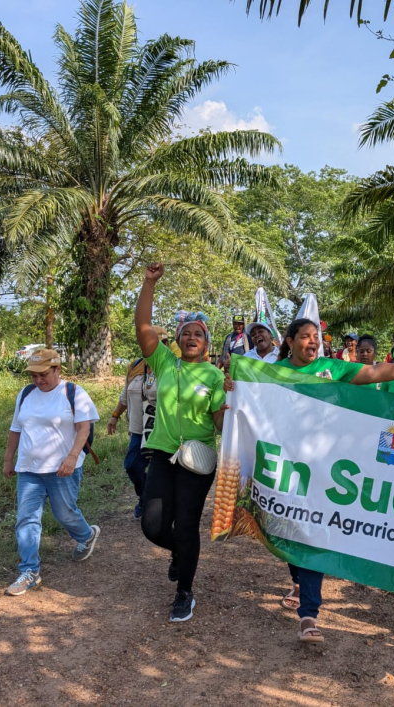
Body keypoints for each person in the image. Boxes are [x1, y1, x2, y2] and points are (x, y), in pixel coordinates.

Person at [249, 318, 394, 643]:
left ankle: (308, 614)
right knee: (287, 529)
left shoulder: (332, 367)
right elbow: (250, 398)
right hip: (285, 466)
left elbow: (374, 373)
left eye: (317, 337)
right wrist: (233, 385)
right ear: (290, 340)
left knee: (313, 535)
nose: (312, 342)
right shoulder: (273, 371)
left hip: (324, 466)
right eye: (305, 337)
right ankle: (297, 579)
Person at [135, 263, 229, 623]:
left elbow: (219, 424)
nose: (191, 337)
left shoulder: (216, 376)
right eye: (186, 333)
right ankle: (182, 553)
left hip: (197, 460)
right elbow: (143, 326)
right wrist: (149, 282)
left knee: (187, 525)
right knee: (154, 525)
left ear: (206, 343)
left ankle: (184, 593)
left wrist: (227, 405)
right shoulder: (163, 362)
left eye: (199, 334)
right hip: (162, 455)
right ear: (177, 339)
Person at [3, 349, 101, 596]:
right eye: (34, 375)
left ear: (58, 369)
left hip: (62, 469)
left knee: (64, 514)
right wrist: (8, 459)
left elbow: (83, 429)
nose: (38, 380)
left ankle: (87, 535)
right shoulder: (25, 394)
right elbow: (16, 428)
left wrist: (71, 457)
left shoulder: (74, 393)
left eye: (43, 374)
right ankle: (30, 571)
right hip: (29, 468)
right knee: (26, 519)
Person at [107, 326, 173, 518]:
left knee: (160, 470)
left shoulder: (171, 367)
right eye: (149, 343)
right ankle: (145, 496)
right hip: (139, 430)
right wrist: (115, 415)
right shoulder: (135, 365)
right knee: (132, 465)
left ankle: (160, 505)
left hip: (162, 431)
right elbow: (126, 394)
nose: (154, 348)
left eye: (159, 344)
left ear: (166, 345)